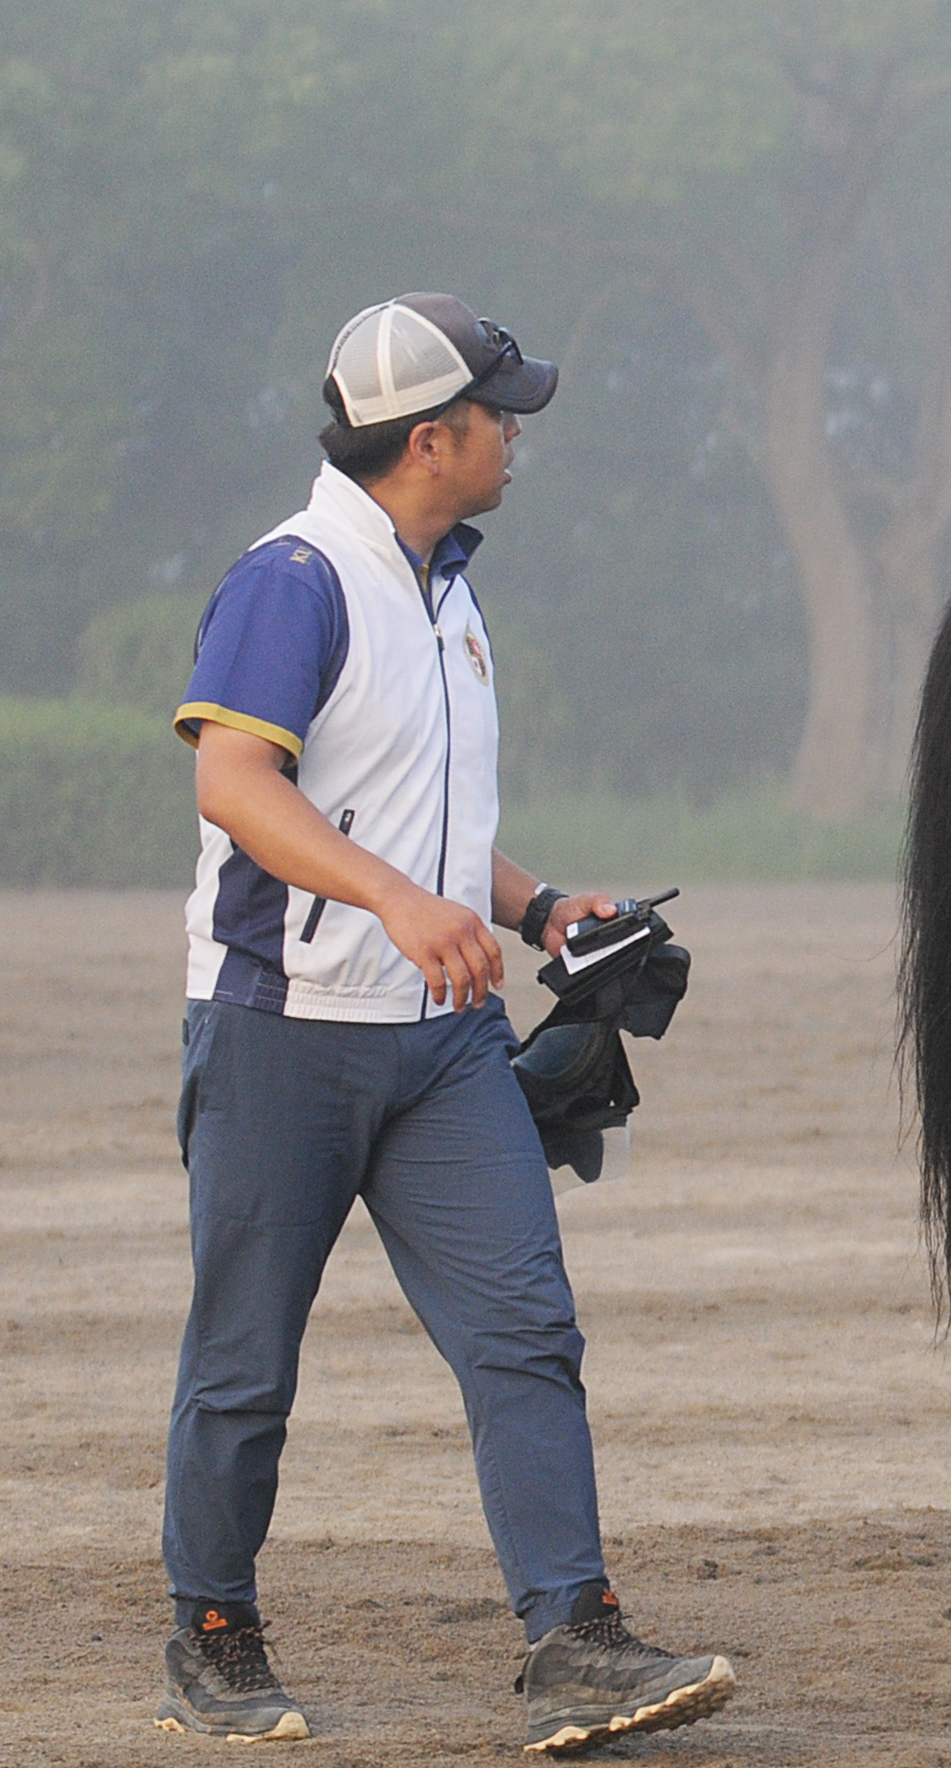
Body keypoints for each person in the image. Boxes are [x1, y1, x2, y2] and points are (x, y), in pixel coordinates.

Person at [157, 294, 735, 1752]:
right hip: (283, 1032)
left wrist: (541, 911)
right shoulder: (294, 581)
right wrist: (395, 906)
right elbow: (238, 783)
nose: (518, 431)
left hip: (443, 1045)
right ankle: (212, 1636)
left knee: (526, 1330)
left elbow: (418, 811)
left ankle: (574, 1637)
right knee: (245, 1362)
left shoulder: (443, 585)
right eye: (501, 411)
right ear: (434, 438)